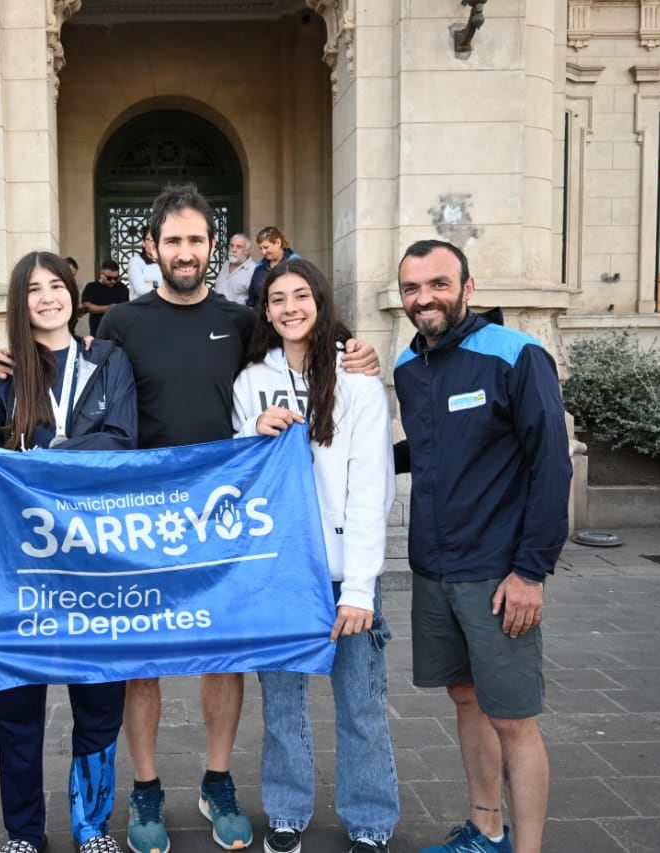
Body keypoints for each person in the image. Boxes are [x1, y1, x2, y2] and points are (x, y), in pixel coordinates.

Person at [93, 184, 382, 853]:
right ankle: (146, 790)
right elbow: (90, 403)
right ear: (152, 247)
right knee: (143, 666)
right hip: (146, 524)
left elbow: (298, 342)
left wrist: (356, 351)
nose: (186, 252)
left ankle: (218, 781)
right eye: (174, 241)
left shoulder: (240, 319)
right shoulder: (121, 324)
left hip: (225, 524)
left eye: (197, 240)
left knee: (222, 658)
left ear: (212, 247)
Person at [0, 251, 137, 853]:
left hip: (96, 565)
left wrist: (42, 459)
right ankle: (24, 834)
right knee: (17, 710)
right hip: (19, 572)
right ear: (18, 302)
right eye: (33, 290)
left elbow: (122, 443)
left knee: (100, 704)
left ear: (75, 296)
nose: (47, 297)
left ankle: (92, 826)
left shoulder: (108, 360)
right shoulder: (1, 375)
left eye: (56, 286)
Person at [393, 240, 571, 853]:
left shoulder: (517, 355)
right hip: (435, 569)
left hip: (498, 575)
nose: (425, 299)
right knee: (466, 698)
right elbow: (425, 448)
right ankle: (485, 829)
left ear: (469, 288)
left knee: (514, 721)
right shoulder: (408, 368)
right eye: (412, 289)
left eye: (438, 284)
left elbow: (552, 468)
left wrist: (530, 571)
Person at [231, 257, 399, 853]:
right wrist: (253, 430)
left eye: (301, 296)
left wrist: (358, 588)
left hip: (341, 572)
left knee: (360, 703)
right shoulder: (251, 379)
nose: (290, 308)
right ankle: (286, 811)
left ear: (321, 302)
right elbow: (237, 473)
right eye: (278, 299)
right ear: (266, 311)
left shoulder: (357, 381)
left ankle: (371, 819)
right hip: (277, 573)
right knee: (281, 706)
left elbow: (370, 490)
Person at [245, 227, 299, 310]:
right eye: (260, 248)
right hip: (261, 319)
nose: (263, 252)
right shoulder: (260, 266)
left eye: (266, 247)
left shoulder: (296, 262)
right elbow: (252, 298)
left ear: (278, 242)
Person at [81, 258, 129, 336]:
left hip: (119, 332)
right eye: (109, 278)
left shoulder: (122, 288)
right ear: (102, 274)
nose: (113, 281)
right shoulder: (92, 287)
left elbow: (127, 307)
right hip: (99, 331)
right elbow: (87, 306)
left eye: (116, 278)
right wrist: (108, 308)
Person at [212, 233, 255, 305]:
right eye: (231, 246)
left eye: (239, 247)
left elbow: (256, 302)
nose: (233, 250)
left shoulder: (253, 270)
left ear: (247, 251)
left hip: (238, 315)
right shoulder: (226, 264)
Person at [127, 227, 162, 299]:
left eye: (157, 240)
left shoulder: (164, 262)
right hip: (140, 307)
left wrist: (152, 284)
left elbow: (173, 287)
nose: (154, 243)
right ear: (143, 243)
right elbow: (140, 288)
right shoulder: (135, 261)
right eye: (151, 240)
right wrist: (157, 284)